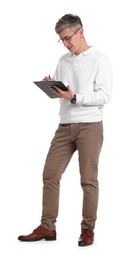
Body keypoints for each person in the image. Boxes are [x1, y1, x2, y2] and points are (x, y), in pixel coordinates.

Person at [18, 13, 112, 246]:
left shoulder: (100, 60)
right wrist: (52, 85)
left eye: (68, 38)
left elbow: (105, 95)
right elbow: (62, 91)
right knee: (50, 174)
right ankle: (47, 227)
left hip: (90, 126)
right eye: (62, 40)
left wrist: (75, 97)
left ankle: (87, 230)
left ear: (81, 31)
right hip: (64, 126)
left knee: (88, 180)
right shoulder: (63, 60)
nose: (66, 43)